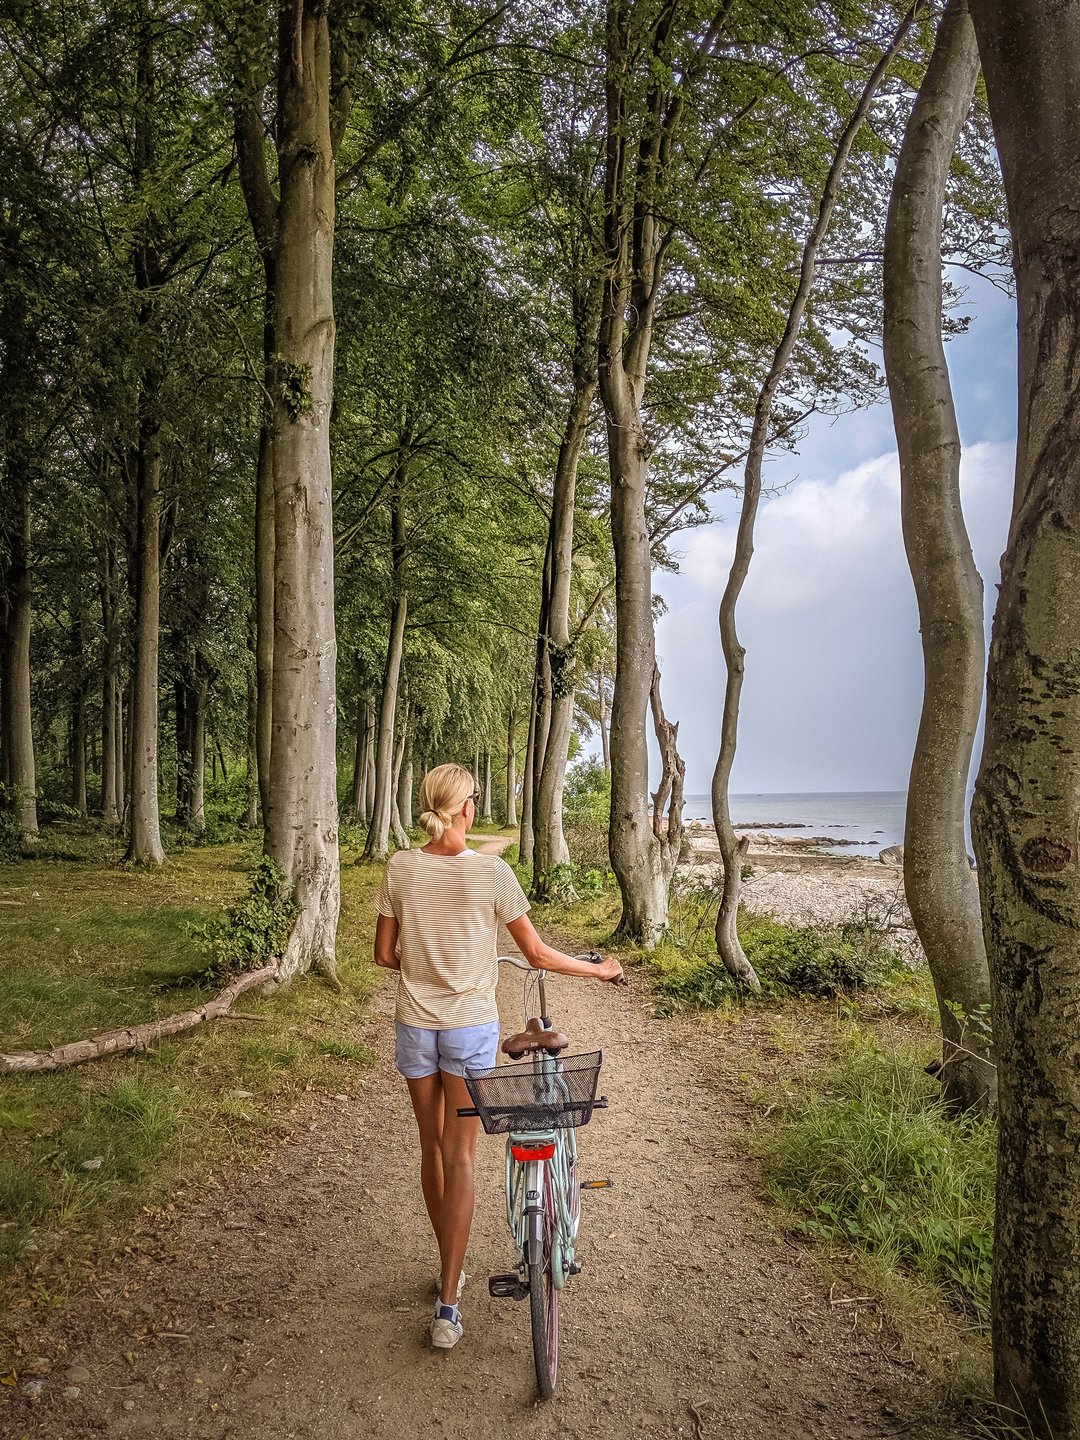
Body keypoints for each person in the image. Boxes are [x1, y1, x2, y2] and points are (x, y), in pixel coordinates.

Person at [374, 761, 623, 1351]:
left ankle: (447, 1270)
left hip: (416, 1027)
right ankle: (449, 1304)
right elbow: (535, 954)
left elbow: (385, 954)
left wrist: (425, 966)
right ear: (466, 808)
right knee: (461, 1157)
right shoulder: (491, 872)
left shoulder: (400, 866)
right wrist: (599, 968)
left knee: (430, 1148)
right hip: (468, 1029)